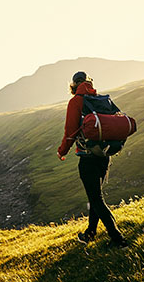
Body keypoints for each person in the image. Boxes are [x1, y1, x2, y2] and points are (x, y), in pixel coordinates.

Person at [57, 71, 128, 248]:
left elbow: (70, 131)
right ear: (89, 82)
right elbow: (119, 118)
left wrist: (62, 151)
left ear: (73, 85)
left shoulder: (76, 102)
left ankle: (118, 239)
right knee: (95, 195)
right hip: (104, 155)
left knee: (95, 198)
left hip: (87, 157)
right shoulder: (101, 99)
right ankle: (90, 232)